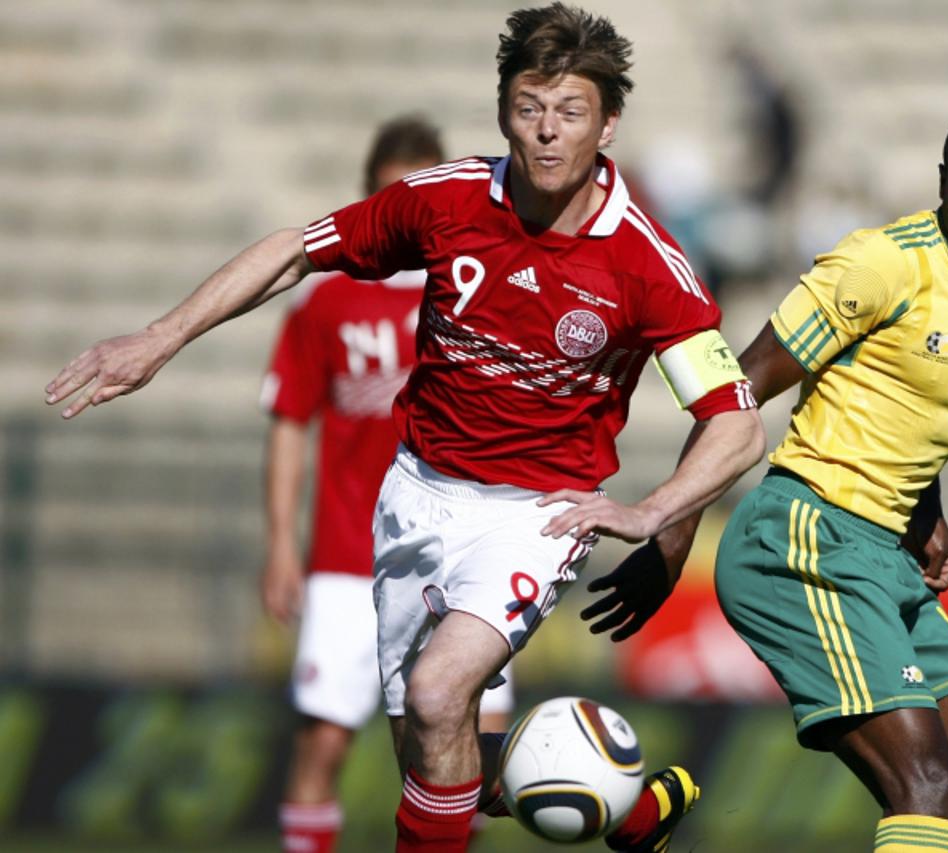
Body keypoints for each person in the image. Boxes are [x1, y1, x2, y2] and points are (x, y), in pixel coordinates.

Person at [44, 4, 765, 852]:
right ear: (504, 110)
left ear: (608, 123)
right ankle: (632, 812)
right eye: (529, 107)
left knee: (437, 692)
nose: (546, 133)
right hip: (415, 497)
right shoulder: (449, 200)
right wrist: (159, 338)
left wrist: (653, 512)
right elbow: (292, 250)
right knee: (431, 749)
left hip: (534, 514)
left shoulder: (647, 264)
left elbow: (737, 426)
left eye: (570, 112)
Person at [591, 105, 948, 853]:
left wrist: (922, 508)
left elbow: (904, 409)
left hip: (883, 559)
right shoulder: (883, 263)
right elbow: (738, 389)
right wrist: (672, 533)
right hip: (805, 538)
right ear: (942, 183)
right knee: (927, 788)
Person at [261, 115, 516, 853]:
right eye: (388, 195)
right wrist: (283, 544)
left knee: (476, 752)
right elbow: (288, 423)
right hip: (347, 556)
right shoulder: (327, 301)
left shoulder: (475, 288)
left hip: (463, 550)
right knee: (324, 744)